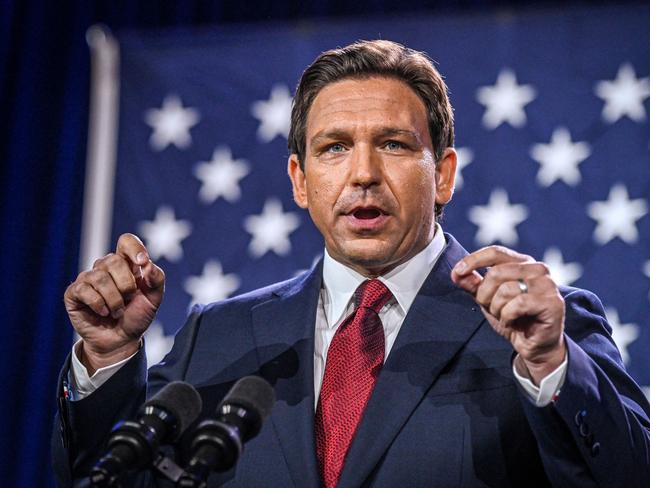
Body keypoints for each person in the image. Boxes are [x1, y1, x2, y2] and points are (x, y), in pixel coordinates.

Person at [53, 40, 650, 487]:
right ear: (300, 180)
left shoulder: (546, 329)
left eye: (393, 144)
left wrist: (551, 365)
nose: (363, 174)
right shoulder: (218, 335)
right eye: (334, 148)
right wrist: (107, 359)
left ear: (442, 174)